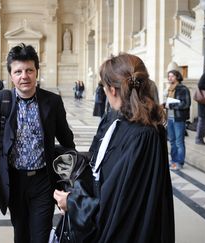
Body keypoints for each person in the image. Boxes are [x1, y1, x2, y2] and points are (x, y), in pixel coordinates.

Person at [53, 53, 174, 242]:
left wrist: (72, 204)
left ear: (112, 89)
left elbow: (119, 206)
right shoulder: (113, 119)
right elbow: (98, 164)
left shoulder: (143, 136)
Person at [0, 43, 75, 243]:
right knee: (20, 234)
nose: (24, 76)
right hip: (13, 181)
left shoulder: (52, 102)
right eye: (18, 71)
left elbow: (66, 141)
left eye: (29, 70)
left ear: (37, 71)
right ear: (11, 75)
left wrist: (71, 183)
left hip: (43, 181)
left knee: (40, 234)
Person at [164, 70, 191, 170]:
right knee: (172, 141)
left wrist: (171, 105)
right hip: (170, 118)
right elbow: (169, 103)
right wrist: (164, 104)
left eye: (172, 76)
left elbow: (186, 103)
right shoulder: (170, 89)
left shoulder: (183, 89)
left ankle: (180, 162)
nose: (170, 78)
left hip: (179, 118)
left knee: (179, 142)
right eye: (169, 76)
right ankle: (173, 161)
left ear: (177, 77)